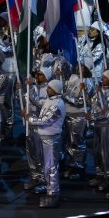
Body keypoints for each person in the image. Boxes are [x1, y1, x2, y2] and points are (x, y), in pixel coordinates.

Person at [28, 79, 67, 208]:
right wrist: (29, 87)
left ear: (55, 89)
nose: (46, 90)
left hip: (52, 139)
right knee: (46, 165)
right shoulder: (49, 101)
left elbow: (45, 120)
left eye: (49, 88)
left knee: (51, 167)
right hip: (45, 138)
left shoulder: (57, 104)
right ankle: (49, 186)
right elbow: (36, 101)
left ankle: (53, 192)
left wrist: (29, 118)